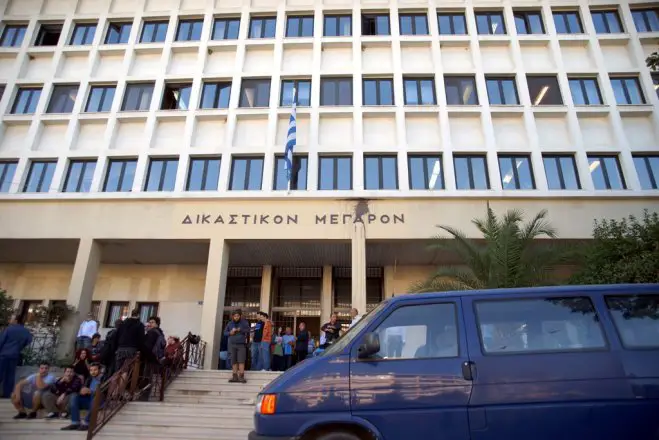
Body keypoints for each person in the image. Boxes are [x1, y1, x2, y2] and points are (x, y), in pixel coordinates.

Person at [60, 363, 103, 431]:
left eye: (95, 370)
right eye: (91, 370)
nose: (93, 372)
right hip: (88, 401)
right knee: (74, 395)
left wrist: (91, 392)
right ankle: (75, 423)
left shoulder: (104, 378)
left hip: (98, 401)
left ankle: (87, 423)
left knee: (95, 396)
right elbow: (83, 388)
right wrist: (82, 390)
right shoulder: (89, 379)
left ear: (100, 370)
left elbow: (104, 391)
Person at [0, 314, 33, 398]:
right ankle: (7, 394)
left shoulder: (9, 329)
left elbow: (1, 341)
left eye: (11, 319)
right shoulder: (25, 331)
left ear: (16, 321)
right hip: (15, 354)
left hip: (4, 354)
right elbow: (29, 341)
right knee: (10, 375)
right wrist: (20, 346)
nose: (10, 320)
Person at [223, 309, 250, 383]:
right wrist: (230, 333)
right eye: (235, 316)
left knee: (241, 361)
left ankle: (241, 377)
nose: (236, 317)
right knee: (233, 361)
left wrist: (240, 330)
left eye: (238, 316)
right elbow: (225, 333)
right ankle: (234, 377)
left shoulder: (244, 323)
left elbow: (248, 330)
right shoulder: (230, 324)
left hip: (241, 345)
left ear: (240, 316)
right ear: (233, 317)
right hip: (232, 345)